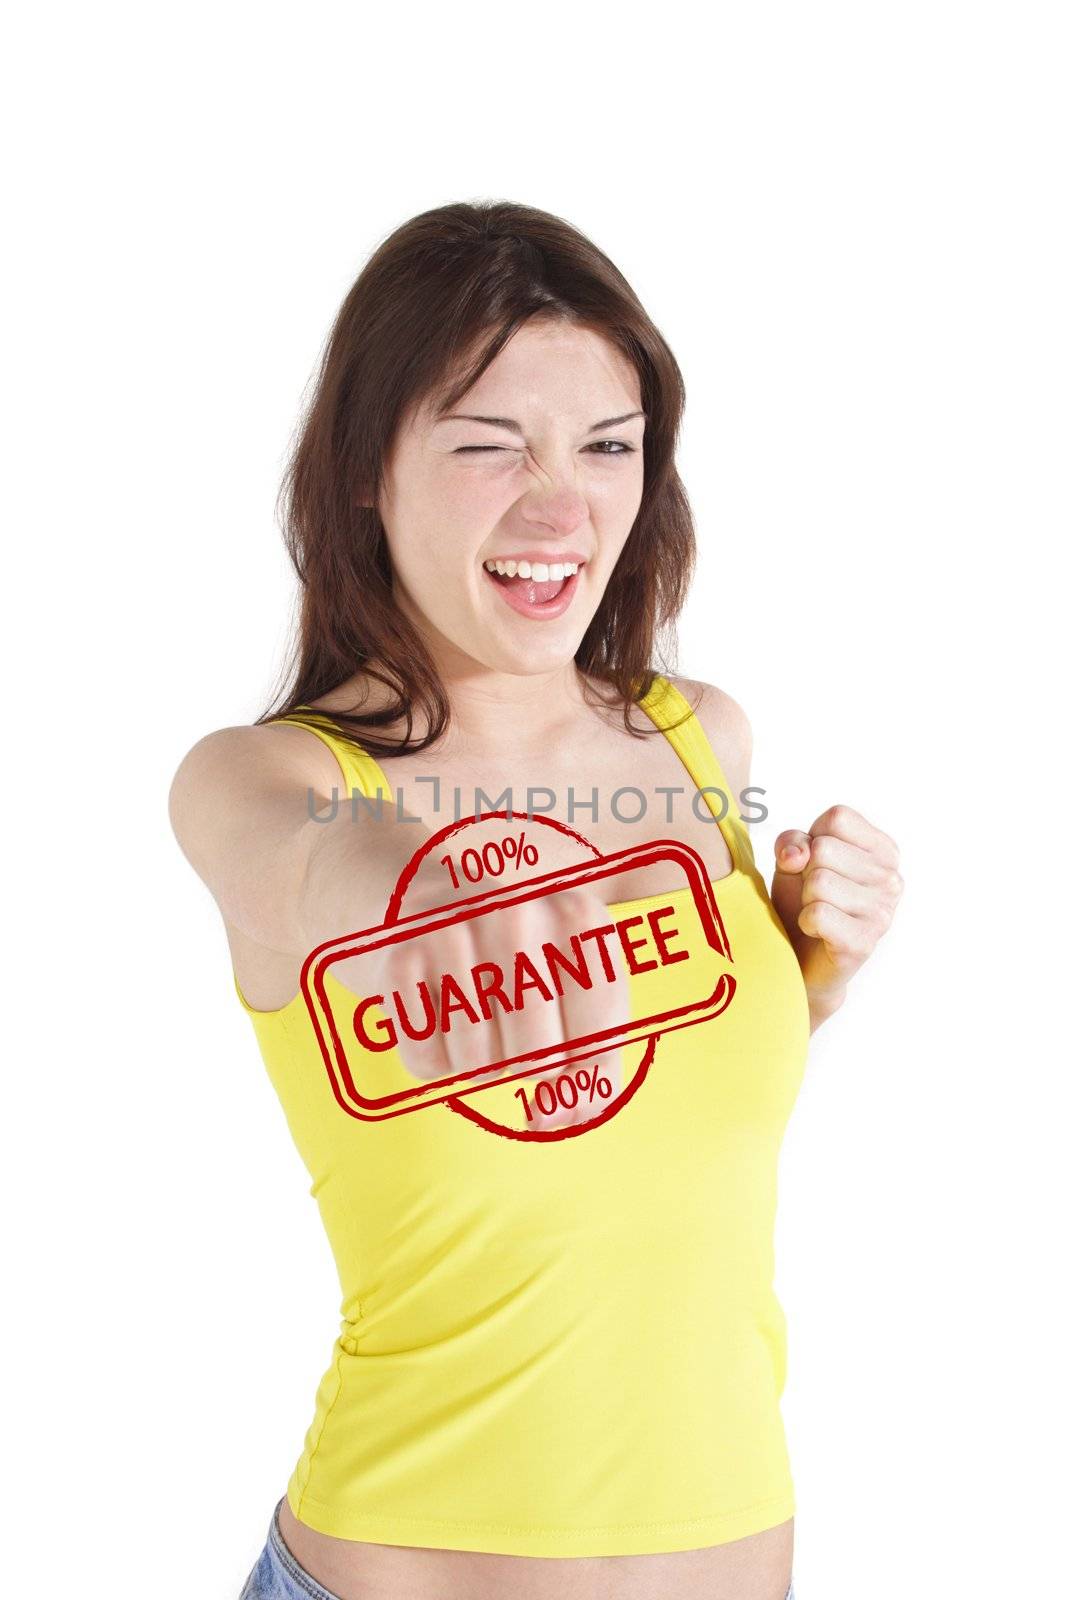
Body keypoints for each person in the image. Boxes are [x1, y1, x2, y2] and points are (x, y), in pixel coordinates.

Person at [169, 200, 903, 1600]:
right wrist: (419, 883)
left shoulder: (699, 742)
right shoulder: (275, 783)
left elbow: (643, 1131)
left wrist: (809, 976)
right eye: (490, 446)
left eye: (608, 449)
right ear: (367, 473)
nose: (561, 510)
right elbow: (308, 865)